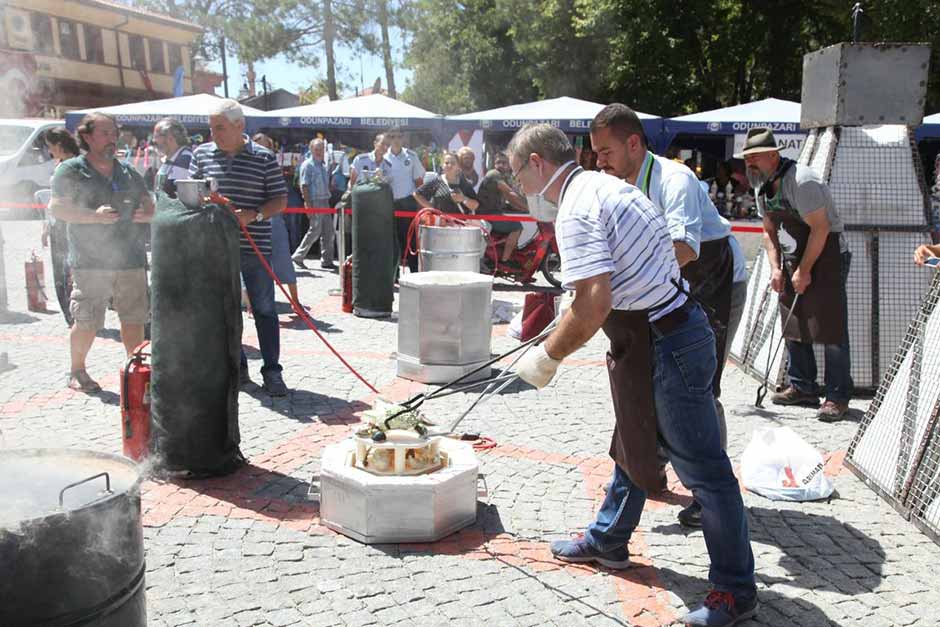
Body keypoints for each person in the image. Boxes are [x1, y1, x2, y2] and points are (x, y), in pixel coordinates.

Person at [510, 124, 756, 627]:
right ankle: (609, 538)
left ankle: (735, 588)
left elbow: (595, 302)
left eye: (517, 175)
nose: (519, 187)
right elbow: (618, 280)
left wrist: (547, 356)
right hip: (659, 332)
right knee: (634, 441)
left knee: (705, 472)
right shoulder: (608, 187)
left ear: (537, 163)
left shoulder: (578, 207)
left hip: (668, 340)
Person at [591, 103, 746, 527]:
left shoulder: (674, 179)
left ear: (634, 143)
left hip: (714, 277)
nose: (599, 162)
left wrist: (622, 285)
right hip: (669, 283)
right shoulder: (618, 183)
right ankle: (649, 468)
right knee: (649, 376)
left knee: (699, 386)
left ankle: (708, 490)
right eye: (596, 154)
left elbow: (686, 248)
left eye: (606, 152)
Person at [742, 127, 852, 422]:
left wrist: (805, 270)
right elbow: (768, 232)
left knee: (830, 324)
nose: (749, 164)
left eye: (754, 157)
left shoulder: (802, 182)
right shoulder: (761, 185)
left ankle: (837, 396)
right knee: (793, 318)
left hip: (827, 255)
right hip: (792, 256)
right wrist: (776, 268)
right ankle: (802, 386)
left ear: (773, 156)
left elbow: (821, 228)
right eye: (746, 158)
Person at [189, 99, 289, 396]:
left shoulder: (264, 157)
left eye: (219, 127)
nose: (214, 134)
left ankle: (272, 371)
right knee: (226, 312)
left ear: (239, 126)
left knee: (265, 310)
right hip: (216, 248)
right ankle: (238, 367)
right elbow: (192, 193)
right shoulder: (201, 155)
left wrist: (254, 214)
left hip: (254, 246)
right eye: (211, 128)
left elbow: (280, 200)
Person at [49, 112, 154, 391]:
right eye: (105, 133)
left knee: (134, 318)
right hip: (90, 260)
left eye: (114, 133)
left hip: (131, 258)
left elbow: (149, 203)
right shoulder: (71, 169)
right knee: (87, 320)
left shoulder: (128, 171)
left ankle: (136, 370)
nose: (112, 139)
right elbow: (57, 208)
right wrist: (93, 216)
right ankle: (77, 370)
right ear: (86, 136)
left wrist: (148, 212)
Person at [252, 133, 303, 307]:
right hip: (255, 220)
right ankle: (253, 303)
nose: (263, 149)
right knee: (257, 262)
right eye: (259, 145)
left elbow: (279, 195)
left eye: (265, 145)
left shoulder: (272, 165)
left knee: (283, 257)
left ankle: (295, 301)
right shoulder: (249, 166)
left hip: (274, 218)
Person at [43, 127, 81, 326]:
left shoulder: (73, 166)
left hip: (67, 222)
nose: (49, 152)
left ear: (59, 146)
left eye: (50, 147)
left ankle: (73, 313)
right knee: (63, 268)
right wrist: (47, 225)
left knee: (66, 268)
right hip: (58, 221)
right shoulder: (65, 164)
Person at [383, 127, 426, 272]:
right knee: (390, 241)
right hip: (388, 203)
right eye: (393, 136)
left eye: (399, 136)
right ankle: (392, 275)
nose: (396, 139)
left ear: (403, 138)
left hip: (407, 202)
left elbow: (419, 181)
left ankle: (414, 273)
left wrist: (421, 205)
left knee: (410, 240)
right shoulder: (382, 157)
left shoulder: (411, 156)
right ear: (388, 139)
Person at [476, 152, 527, 268]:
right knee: (517, 227)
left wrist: (522, 207)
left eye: (504, 163)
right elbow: (509, 193)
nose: (501, 165)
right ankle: (505, 260)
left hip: (494, 214)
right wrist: (529, 208)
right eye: (498, 162)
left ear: (509, 165)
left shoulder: (504, 177)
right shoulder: (494, 174)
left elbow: (512, 197)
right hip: (488, 215)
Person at [293, 138, 336, 271]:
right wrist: (308, 205)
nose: (319, 151)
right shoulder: (308, 165)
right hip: (315, 201)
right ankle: (298, 257)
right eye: (317, 149)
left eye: (321, 149)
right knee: (314, 231)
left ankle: (327, 260)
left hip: (325, 201)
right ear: (311, 150)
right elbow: (304, 186)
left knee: (328, 232)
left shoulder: (322, 165)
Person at [413, 152, 479, 215]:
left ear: (458, 167)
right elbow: (417, 194)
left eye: (453, 163)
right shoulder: (437, 181)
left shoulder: (464, 183)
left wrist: (463, 199)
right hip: (442, 224)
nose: (449, 165)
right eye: (446, 163)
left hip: (460, 224)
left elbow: (475, 205)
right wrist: (432, 208)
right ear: (442, 166)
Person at [152, 118, 193, 198]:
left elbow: (173, 195)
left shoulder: (184, 160)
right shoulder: (171, 158)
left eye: (156, 136)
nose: (154, 140)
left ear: (170, 138)